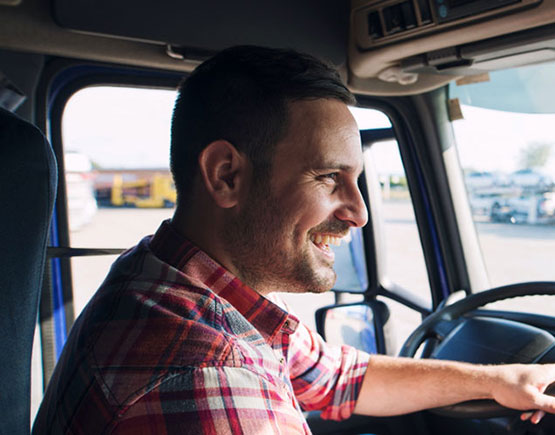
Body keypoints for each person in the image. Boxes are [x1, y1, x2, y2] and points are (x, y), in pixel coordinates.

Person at [33, 46, 555, 434]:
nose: (360, 213)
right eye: (329, 177)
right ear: (225, 175)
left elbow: (338, 378)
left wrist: (498, 380)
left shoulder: (168, 274)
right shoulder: (212, 379)